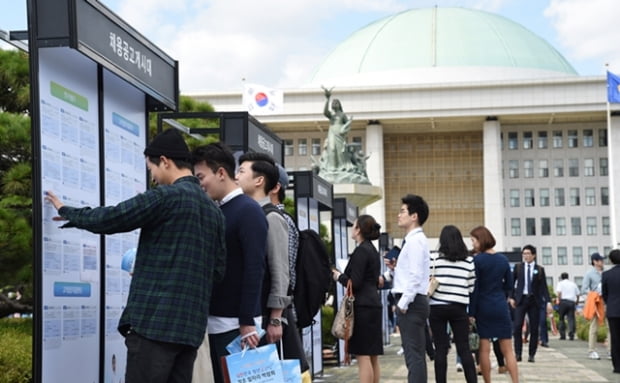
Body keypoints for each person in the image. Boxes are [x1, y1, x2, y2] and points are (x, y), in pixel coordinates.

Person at [45, 129, 227, 383]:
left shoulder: (166, 197)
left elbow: (113, 217)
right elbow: (218, 271)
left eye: (150, 168)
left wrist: (67, 211)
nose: (152, 177)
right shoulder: (214, 211)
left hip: (154, 325)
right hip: (189, 330)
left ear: (164, 161)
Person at [191, 143, 267, 383]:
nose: (200, 184)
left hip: (236, 326)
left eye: (201, 177)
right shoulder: (218, 211)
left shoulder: (248, 211)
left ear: (221, 173)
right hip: (216, 322)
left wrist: (246, 322)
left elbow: (255, 268)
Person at [236, 152, 291, 346]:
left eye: (241, 171)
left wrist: (276, 318)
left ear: (259, 180)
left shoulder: (272, 217)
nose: (236, 177)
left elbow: (280, 271)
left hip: (264, 316)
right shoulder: (248, 212)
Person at [269, 164, 311, 379]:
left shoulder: (280, 220)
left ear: (274, 187)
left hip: (279, 312)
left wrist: (276, 317)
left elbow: (284, 272)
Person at [332, 214, 384, 383]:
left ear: (359, 229)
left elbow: (355, 282)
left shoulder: (361, 250)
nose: (351, 229)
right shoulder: (372, 250)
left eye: (353, 226)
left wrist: (338, 276)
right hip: (373, 304)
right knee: (372, 356)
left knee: (363, 356)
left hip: (362, 307)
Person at [388, 194, 431, 383]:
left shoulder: (414, 241)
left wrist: (403, 304)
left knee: (414, 357)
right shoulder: (415, 240)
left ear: (414, 216)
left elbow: (415, 276)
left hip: (411, 303)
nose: (399, 215)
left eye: (403, 211)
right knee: (416, 356)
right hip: (414, 302)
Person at [469, 226, 518, 383]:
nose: (472, 244)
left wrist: (471, 312)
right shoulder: (503, 260)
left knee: (484, 349)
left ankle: (487, 382)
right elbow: (510, 285)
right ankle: (515, 381)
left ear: (481, 240)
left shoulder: (477, 260)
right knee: (508, 350)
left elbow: (474, 289)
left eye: (473, 240)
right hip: (500, 306)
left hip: (483, 306)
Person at [428, 225, 477, 383]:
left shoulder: (434, 259)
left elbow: (427, 282)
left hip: (436, 307)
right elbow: (471, 287)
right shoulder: (469, 261)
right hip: (459, 307)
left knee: (440, 349)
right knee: (464, 348)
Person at [508, 245, 550, 363]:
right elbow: (511, 283)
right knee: (517, 327)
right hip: (520, 300)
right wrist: (511, 297)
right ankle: (518, 353)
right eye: (524, 254)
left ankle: (532, 354)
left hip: (534, 300)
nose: (525, 256)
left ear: (534, 255)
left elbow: (544, 287)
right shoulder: (518, 267)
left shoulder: (540, 269)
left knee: (534, 328)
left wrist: (548, 302)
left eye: (528, 253)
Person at [582, 252, 610, 360]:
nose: (602, 262)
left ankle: (610, 351)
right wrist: (594, 294)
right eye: (600, 260)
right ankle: (592, 350)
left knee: (610, 327)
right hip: (596, 302)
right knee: (594, 327)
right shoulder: (589, 274)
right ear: (594, 261)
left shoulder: (606, 272)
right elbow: (584, 289)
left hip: (607, 301)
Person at [321, 86, 352, 171]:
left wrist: (344, 129)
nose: (334, 104)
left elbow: (348, 124)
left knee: (340, 151)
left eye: (336, 103)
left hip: (340, 135)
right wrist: (328, 98)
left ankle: (342, 167)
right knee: (331, 149)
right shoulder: (331, 115)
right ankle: (332, 167)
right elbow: (324, 112)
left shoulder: (342, 115)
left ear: (339, 105)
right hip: (331, 133)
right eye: (333, 103)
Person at [601, 249, 620, 374]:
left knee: (615, 339)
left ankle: (617, 366)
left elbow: (604, 294)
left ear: (611, 260)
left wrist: (609, 303)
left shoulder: (606, 275)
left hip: (613, 310)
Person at [554, 272, 579, 342]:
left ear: (561, 277)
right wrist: (577, 301)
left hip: (563, 302)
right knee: (571, 318)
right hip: (571, 302)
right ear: (568, 277)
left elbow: (559, 293)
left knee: (561, 318)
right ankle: (571, 334)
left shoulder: (560, 283)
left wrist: (559, 300)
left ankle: (562, 335)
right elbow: (577, 294)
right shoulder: (573, 284)